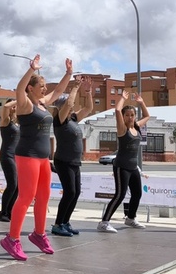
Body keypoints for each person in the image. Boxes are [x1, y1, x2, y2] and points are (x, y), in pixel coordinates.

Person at [0, 55, 72, 261]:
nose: (44, 88)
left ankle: (39, 235)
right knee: (26, 197)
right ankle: (12, 239)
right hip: (27, 156)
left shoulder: (42, 103)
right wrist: (31, 70)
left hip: (43, 158)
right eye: (40, 85)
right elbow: (18, 89)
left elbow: (58, 91)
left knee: (44, 197)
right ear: (31, 88)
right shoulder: (24, 105)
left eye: (44, 85)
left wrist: (68, 74)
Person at [98, 90, 151, 233]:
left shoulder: (137, 128)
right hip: (122, 166)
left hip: (133, 167)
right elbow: (117, 110)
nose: (130, 117)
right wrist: (122, 98)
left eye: (132, 115)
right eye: (127, 115)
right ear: (123, 117)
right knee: (120, 195)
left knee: (137, 194)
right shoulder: (122, 129)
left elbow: (147, 116)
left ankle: (130, 218)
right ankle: (104, 222)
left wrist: (141, 102)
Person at [51, 76, 94, 236]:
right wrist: (75, 86)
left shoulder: (73, 119)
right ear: (61, 107)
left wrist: (88, 91)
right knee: (69, 192)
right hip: (64, 161)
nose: (72, 107)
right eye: (69, 106)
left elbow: (88, 108)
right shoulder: (59, 121)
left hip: (75, 162)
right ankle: (57, 224)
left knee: (75, 193)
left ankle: (65, 222)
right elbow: (69, 103)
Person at [0, 100, 19, 223]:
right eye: (13, 106)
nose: (14, 107)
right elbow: (5, 106)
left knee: (18, 187)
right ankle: (2, 212)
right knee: (12, 184)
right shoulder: (5, 121)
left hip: (16, 156)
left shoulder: (16, 123)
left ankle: (9, 212)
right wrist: (19, 97)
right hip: (7, 155)